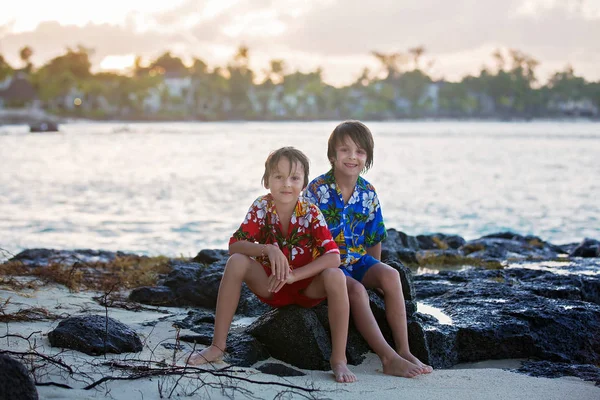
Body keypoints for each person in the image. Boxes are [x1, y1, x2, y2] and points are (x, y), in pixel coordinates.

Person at [187, 146, 357, 383]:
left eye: (294, 178)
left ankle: (338, 360)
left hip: (307, 288)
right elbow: (235, 245)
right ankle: (217, 345)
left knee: (336, 276)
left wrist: (295, 275)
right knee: (237, 262)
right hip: (271, 286)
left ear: (304, 183)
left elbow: (333, 256)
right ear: (267, 181)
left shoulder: (311, 212)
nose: (287, 184)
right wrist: (268, 249)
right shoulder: (261, 207)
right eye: (279, 176)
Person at [305, 120, 433, 378]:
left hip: (358, 260)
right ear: (332, 155)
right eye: (345, 150)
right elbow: (305, 237)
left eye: (360, 152)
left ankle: (404, 350)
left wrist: (375, 274)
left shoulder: (368, 192)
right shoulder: (316, 191)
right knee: (357, 291)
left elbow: (374, 237)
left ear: (367, 157)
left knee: (391, 274)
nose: (352, 157)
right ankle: (388, 358)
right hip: (328, 267)